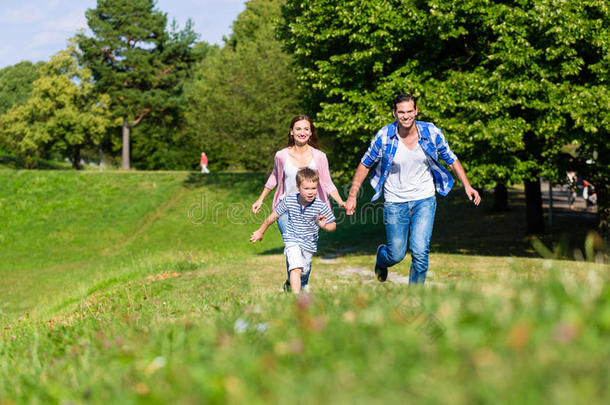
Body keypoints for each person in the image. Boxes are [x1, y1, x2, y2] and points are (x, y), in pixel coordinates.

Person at [345, 93, 481, 284]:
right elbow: (365, 164)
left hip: (424, 199)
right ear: (394, 113)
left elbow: (451, 158)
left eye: (410, 111)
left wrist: (467, 185)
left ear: (416, 111)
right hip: (395, 201)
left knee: (420, 250)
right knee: (396, 254)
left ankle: (415, 296)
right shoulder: (384, 136)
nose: (406, 116)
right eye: (401, 112)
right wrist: (352, 196)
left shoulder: (431, 132)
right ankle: (382, 257)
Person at [251, 115, 345, 290]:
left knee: (305, 251)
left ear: (310, 133)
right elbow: (274, 178)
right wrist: (261, 199)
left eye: (306, 129)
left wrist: (340, 202)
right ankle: (297, 289)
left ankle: (295, 282)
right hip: (286, 208)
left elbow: (327, 182)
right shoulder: (281, 155)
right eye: (298, 129)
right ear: (291, 132)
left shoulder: (320, 157)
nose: (302, 132)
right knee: (292, 245)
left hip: (311, 210)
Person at [250, 168, 336, 293]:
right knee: (295, 268)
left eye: (314, 188)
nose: (311, 192)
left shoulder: (320, 205)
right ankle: (295, 299)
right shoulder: (289, 201)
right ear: (298, 188)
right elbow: (273, 217)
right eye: (306, 188)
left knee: (304, 271)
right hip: (292, 239)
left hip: (309, 243)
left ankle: (290, 284)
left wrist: (325, 226)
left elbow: (333, 225)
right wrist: (260, 231)